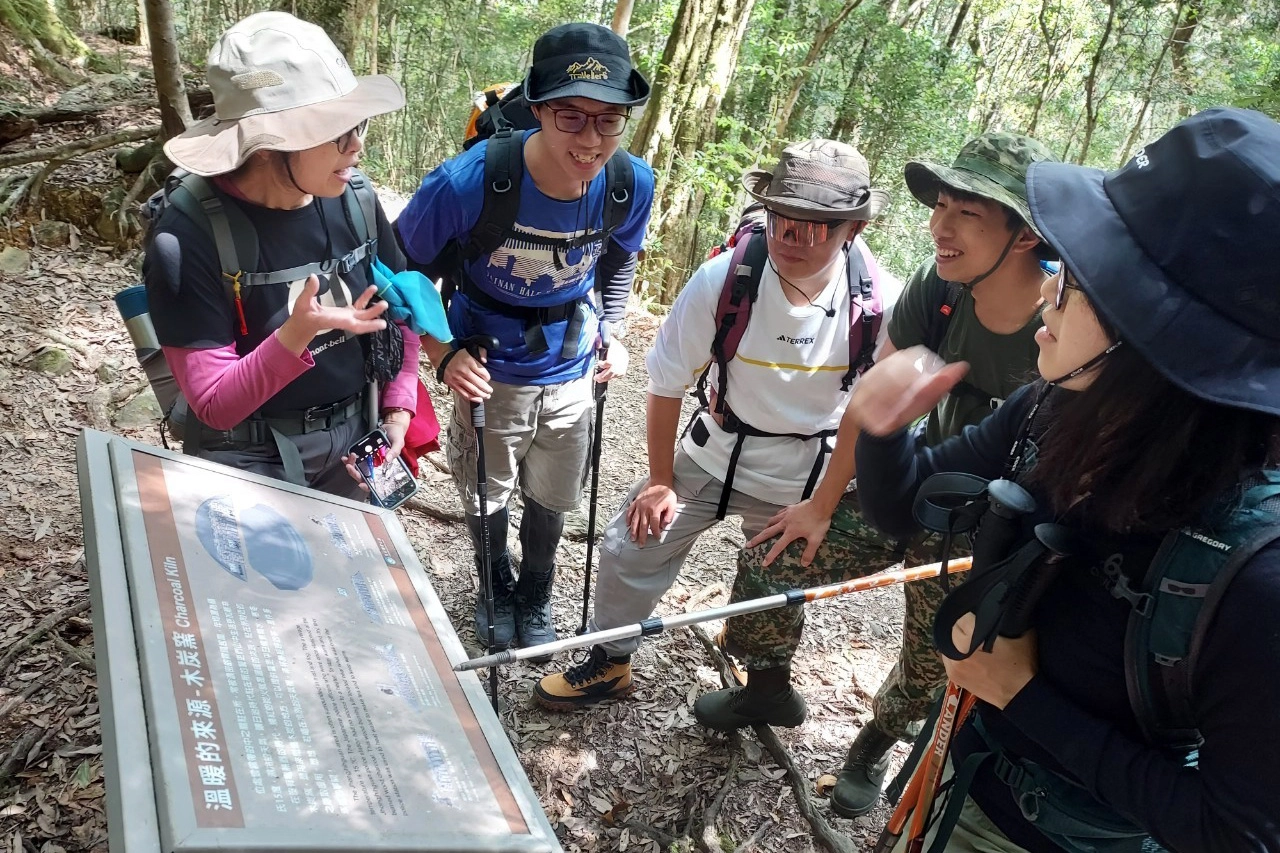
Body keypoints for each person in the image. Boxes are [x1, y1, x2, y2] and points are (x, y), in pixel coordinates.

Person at [852, 106, 1280, 852]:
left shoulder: (1251, 576)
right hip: (959, 772)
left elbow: (1235, 830)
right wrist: (883, 430)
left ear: (1154, 335)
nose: (1048, 291)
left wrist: (1023, 695)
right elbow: (904, 511)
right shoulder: (1049, 410)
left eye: (1080, 279)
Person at [702, 133, 1058, 818]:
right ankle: (766, 685)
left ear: (1021, 237)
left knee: (938, 655)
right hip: (914, 480)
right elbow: (875, 401)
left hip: (990, 524)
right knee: (773, 553)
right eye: (940, 206)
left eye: (967, 214)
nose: (939, 227)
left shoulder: (1063, 314)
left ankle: (873, 745)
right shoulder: (939, 287)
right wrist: (823, 503)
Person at [533, 139, 902, 711]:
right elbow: (666, 380)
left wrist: (825, 505)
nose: (792, 238)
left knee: (778, 580)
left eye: (817, 227)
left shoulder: (879, 303)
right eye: (784, 218)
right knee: (633, 542)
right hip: (716, 448)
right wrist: (660, 481)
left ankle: (764, 685)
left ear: (852, 228)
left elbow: (871, 415)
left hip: (804, 471)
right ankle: (610, 661)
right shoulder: (724, 279)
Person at [397, 23, 654, 653]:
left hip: (572, 362)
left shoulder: (629, 185)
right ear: (537, 107)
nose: (591, 139)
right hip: (487, 365)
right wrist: (442, 351)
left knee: (556, 489)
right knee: (486, 487)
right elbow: (399, 268)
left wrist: (613, 328)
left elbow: (618, 260)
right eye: (571, 116)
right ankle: (493, 584)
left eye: (609, 119)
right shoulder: (470, 182)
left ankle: (534, 592)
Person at [145, 11, 419, 499]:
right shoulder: (187, 238)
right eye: (336, 131)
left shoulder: (355, 199)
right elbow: (213, 404)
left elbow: (400, 312)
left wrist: (397, 408)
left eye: (359, 125)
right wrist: (296, 333)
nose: (356, 147)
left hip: (359, 438)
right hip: (249, 455)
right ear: (270, 144)